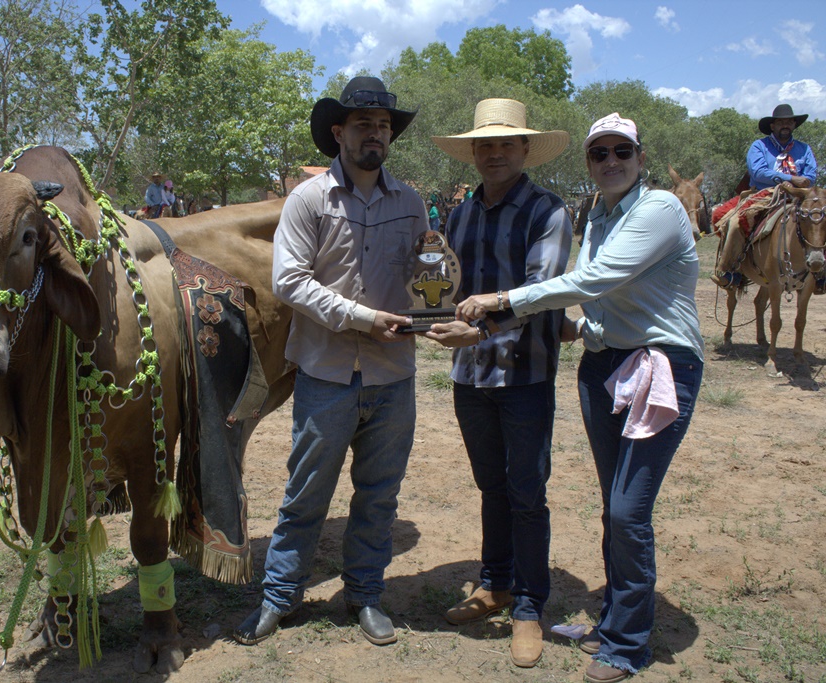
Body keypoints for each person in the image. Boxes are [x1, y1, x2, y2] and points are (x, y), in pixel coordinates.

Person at [455, 112, 703, 683]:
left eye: (622, 151)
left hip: (660, 365)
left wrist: (501, 302)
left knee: (627, 510)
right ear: (588, 162)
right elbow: (603, 303)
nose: (610, 161)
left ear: (641, 158)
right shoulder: (597, 215)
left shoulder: (660, 208)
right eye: (599, 153)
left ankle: (626, 645)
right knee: (614, 503)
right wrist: (576, 329)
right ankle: (614, 619)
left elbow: (594, 280)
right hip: (603, 364)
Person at [233, 75, 427, 648]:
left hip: (394, 376)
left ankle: (364, 595)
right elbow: (289, 281)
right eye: (364, 124)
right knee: (305, 495)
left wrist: (437, 295)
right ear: (338, 132)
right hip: (326, 374)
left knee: (379, 495)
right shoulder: (309, 199)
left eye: (384, 126)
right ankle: (280, 596)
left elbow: (427, 278)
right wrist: (364, 318)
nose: (376, 134)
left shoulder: (411, 203)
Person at [424, 98, 572, 669]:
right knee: (492, 486)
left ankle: (530, 605)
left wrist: (479, 329)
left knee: (526, 491)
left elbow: (543, 290)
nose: (494, 153)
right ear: (472, 154)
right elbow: (445, 284)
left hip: (525, 373)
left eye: (506, 143)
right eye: (484, 145)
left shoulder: (547, 211)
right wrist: (428, 316)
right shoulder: (459, 216)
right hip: (471, 374)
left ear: (525, 150)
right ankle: (496, 584)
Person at [713, 104, 818, 288]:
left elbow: (811, 174)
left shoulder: (804, 149)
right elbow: (758, 172)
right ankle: (731, 270)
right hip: (766, 194)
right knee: (736, 222)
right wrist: (790, 178)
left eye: (789, 121)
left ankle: (820, 273)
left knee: (820, 219)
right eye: (781, 122)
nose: (785, 125)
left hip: (800, 195)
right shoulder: (759, 146)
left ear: (794, 125)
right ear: (772, 126)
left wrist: (801, 183)